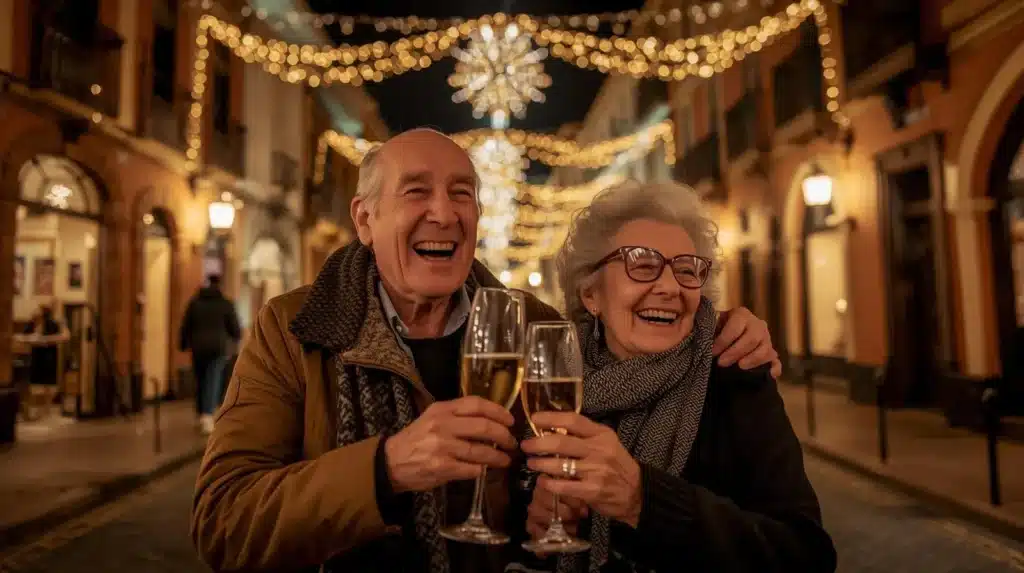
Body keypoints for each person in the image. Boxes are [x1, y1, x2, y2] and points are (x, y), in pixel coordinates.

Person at [190, 128, 781, 573]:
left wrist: (720, 328)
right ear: (365, 219)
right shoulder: (295, 330)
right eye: (416, 191)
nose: (444, 212)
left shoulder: (534, 326)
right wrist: (385, 469)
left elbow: (631, 336)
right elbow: (224, 524)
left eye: (463, 194)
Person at [519, 181, 836, 573]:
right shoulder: (551, 384)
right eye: (641, 265)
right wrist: (537, 536)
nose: (670, 287)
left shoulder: (736, 379)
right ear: (591, 294)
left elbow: (806, 555)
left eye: (686, 270)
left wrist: (643, 501)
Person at [179, 274, 241, 434]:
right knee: (212, 379)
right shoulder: (225, 303)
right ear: (220, 285)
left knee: (200, 379)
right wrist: (236, 339)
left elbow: (186, 325)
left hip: (198, 347)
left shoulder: (195, 302)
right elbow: (234, 328)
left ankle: (201, 413)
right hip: (217, 347)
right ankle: (207, 415)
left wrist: (183, 344)